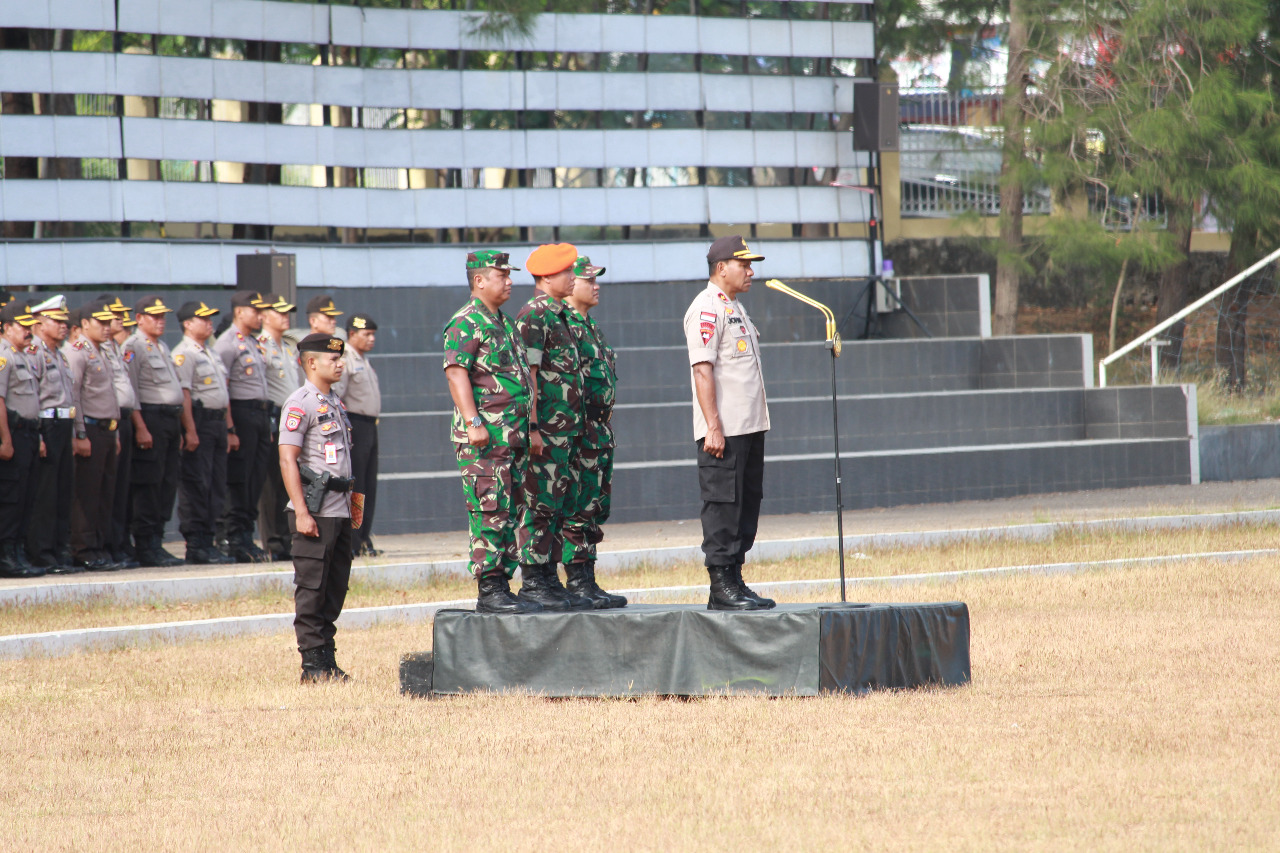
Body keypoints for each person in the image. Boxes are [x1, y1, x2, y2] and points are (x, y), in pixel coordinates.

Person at [442, 250, 541, 614]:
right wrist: (473, 422)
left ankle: (503, 582)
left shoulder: (503, 321)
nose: (509, 280)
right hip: (486, 437)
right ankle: (489, 587)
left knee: (511, 509)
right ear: (479, 280)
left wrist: (529, 428)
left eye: (509, 274)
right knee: (489, 508)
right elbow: (456, 372)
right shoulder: (466, 321)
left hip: (511, 437)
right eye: (501, 275)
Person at [682, 235, 776, 611]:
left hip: (749, 426)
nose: (751, 271)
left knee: (746, 503)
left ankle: (735, 578)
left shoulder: (734, 307)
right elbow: (703, 371)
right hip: (725, 430)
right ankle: (721, 585)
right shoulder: (707, 308)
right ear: (722, 268)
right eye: (745, 264)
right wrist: (713, 426)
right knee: (723, 504)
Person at [513, 243, 594, 610]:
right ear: (546, 278)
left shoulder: (559, 314)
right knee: (539, 504)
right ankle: (534, 580)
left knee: (558, 505)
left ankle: (549, 579)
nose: (573, 278)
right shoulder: (534, 314)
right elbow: (528, 373)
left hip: (567, 431)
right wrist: (532, 427)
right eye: (566, 273)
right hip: (545, 430)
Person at [279, 333, 360, 683]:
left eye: (340, 358)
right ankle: (312, 665)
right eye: (333, 359)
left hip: (339, 507)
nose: (340, 363)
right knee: (312, 587)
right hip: (315, 508)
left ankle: (327, 659)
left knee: (335, 586)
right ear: (311, 362)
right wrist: (300, 511)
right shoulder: (300, 402)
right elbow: (287, 458)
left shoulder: (335, 401)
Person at [561, 256, 626, 608]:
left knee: (594, 504)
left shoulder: (591, 326)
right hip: (578, 430)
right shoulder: (565, 325)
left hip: (599, 430)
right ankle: (576, 581)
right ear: (572, 283)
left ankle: (588, 577)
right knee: (576, 506)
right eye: (589, 279)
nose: (596, 285)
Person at [122, 295, 186, 569]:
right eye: (154, 316)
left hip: (169, 421)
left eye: (163, 316)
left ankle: (156, 542)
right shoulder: (133, 346)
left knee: (166, 484)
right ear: (139, 318)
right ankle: (146, 545)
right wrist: (141, 427)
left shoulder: (161, 346)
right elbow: (131, 391)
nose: (161, 321)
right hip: (150, 418)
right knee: (149, 484)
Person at [172, 301, 238, 565]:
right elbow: (184, 394)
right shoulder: (185, 353)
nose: (210, 323)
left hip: (218, 423)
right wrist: (190, 430)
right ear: (188, 324)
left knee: (215, 486)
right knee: (196, 485)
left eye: (211, 318)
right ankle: (196, 544)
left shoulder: (209, 352)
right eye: (203, 319)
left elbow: (224, 394)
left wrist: (230, 428)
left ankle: (208, 540)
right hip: (199, 423)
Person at [214, 291, 273, 563]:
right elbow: (222, 387)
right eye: (255, 310)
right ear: (239, 312)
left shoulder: (252, 342)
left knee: (255, 478)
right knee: (240, 478)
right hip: (241, 414)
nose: (260, 316)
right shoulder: (227, 342)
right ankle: (233, 537)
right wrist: (230, 428)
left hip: (260, 416)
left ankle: (246, 536)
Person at [65, 300, 123, 572]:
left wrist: (116, 432)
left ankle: (99, 547)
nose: (107, 327)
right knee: (86, 494)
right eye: (101, 322)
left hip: (107, 430)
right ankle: (84, 549)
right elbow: (73, 394)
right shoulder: (78, 352)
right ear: (85, 324)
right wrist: (79, 433)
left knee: (104, 492)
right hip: (90, 429)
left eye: (109, 322)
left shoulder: (104, 351)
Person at [26, 295, 76, 573]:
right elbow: (33, 396)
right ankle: (42, 552)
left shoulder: (61, 353)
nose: (63, 326)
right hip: (46, 426)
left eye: (64, 321)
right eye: (56, 321)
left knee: (61, 491)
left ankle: (58, 549)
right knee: (44, 494)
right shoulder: (34, 353)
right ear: (39, 322)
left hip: (64, 424)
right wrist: (41, 436)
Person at [0, 301, 44, 578]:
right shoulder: (4, 356)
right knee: (11, 497)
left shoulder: (23, 355)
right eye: (23, 327)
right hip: (13, 433)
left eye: (30, 327)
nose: (29, 332)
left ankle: (17, 552)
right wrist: (5, 439)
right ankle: (6, 555)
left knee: (27, 496)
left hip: (29, 432)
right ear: (6, 327)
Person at [257, 294, 302, 561]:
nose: (285, 317)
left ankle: (285, 539)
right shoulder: (259, 345)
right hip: (273, 417)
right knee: (271, 485)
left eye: (287, 313)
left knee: (288, 483)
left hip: (290, 419)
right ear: (264, 315)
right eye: (279, 312)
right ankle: (272, 542)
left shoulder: (287, 346)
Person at [333, 313, 382, 558]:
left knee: (369, 485)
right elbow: (337, 397)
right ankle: (352, 539)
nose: (371, 339)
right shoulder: (346, 359)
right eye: (367, 334)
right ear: (352, 334)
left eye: (373, 334)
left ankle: (363, 537)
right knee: (357, 486)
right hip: (355, 425)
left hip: (370, 426)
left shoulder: (363, 359)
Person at [97, 295, 140, 568]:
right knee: (106, 489)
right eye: (116, 316)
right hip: (105, 422)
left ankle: (120, 542)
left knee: (122, 487)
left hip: (122, 420)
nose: (121, 320)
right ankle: (107, 544)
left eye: (123, 315)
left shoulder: (115, 346)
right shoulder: (97, 349)